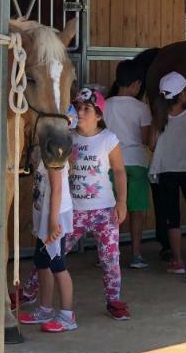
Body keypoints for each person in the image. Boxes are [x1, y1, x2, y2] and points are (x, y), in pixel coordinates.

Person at [66, 88, 130, 320]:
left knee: (110, 258)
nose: (81, 113)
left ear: (99, 115)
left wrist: (122, 201)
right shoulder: (68, 137)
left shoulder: (108, 139)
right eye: (78, 107)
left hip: (104, 210)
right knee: (52, 253)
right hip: (73, 210)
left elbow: (119, 171)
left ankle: (114, 300)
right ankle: (31, 291)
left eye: (87, 109)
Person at [18, 112, 79, 332]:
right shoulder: (43, 145)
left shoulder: (55, 149)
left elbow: (57, 188)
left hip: (54, 215)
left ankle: (67, 315)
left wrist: (53, 223)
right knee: (41, 262)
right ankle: (45, 308)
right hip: (44, 214)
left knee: (57, 264)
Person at [150, 71, 186, 276]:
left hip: (166, 171)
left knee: (172, 217)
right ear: (182, 96)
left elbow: (153, 146)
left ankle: (177, 260)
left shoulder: (159, 119)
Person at [103, 59, 153, 269]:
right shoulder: (142, 108)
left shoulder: (105, 105)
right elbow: (144, 139)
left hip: (111, 163)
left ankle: (107, 254)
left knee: (111, 211)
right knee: (137, 210)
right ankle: (136, 254)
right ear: (135, 84)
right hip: (137, 162)